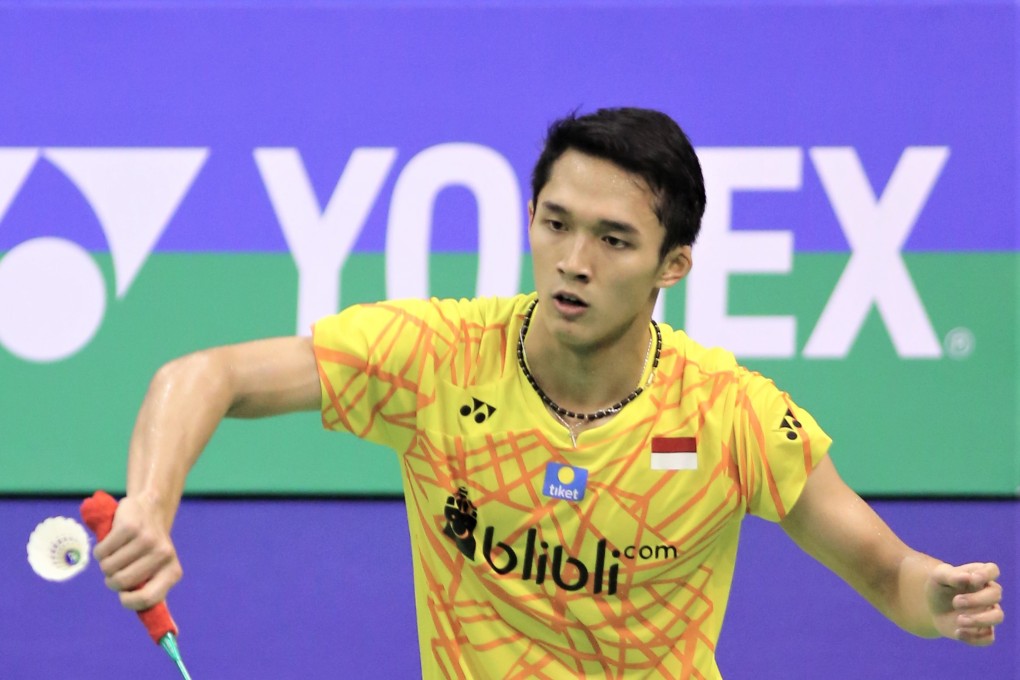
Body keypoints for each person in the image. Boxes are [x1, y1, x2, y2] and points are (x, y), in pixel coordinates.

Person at [93, 108, 1003, 678]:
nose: (573, 261)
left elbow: (886, 570)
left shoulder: (730, 413)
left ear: (671, 267)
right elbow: (201, 375)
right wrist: (152, 507)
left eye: (613, 240)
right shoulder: (437, 357)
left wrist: (936, 597)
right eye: (555, 223)